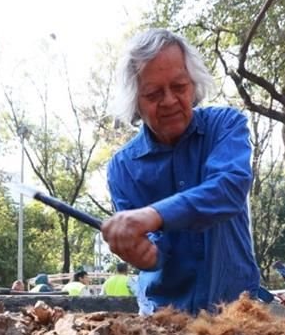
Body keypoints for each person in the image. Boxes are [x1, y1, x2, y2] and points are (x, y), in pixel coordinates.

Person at [101, 28, 264, 315]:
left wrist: (152, 216)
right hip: (164, 322)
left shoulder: (224, 126)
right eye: (153, 93)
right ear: (135, 101)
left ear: (193, 84)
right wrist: (145, 255)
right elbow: (152, 249)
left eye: (179, 87)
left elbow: (228, 189)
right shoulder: (122, 167)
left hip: (237, 315)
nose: (169, 100)